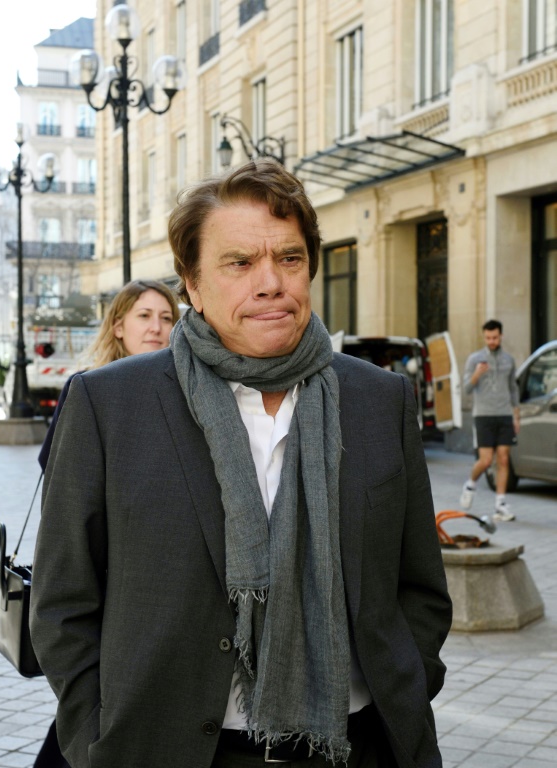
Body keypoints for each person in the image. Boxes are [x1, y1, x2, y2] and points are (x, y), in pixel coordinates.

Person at [31, 159, 452, 768]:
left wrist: (411, 681)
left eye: (289, 258)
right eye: (239, 262)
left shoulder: (379, 399)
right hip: (173, 751)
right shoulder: (108, 404)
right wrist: (95, 737)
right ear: (193, 286)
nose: (271, 282)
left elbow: (420, 586)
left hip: (356, 746)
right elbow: (62, 600)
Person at [33, 279, 179, 768]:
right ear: (118, 326)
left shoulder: (186, 390)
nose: (156, 327)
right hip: (104, 574)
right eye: (144, 316)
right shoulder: (90, 388)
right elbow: (59, 481)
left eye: (166, 317)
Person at [460, 319, 520, 522]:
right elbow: (467, 388)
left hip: (504, 414)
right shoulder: (474, 359)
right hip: (483, 415)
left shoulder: (509, 360)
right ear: (484, 337)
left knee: (503, 459)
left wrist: (516, 416)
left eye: (494, 337)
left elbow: (513, 389)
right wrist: (477, 374)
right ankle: (470, 484)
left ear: (500, 336)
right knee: (486, 460)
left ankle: (500, 505)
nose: (491, 341)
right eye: (488, 338)